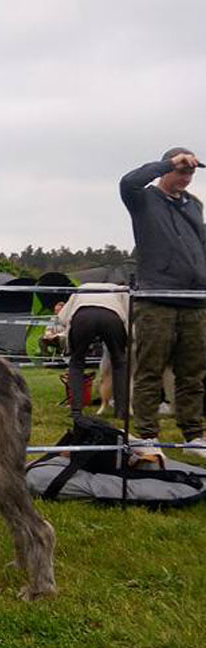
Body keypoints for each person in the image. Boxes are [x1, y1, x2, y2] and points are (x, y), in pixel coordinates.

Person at [120, 147, 206, 458]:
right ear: (166, 168)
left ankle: (194, 435)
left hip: (194, 300)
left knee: (193, 373)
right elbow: (127, 181)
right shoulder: (142, 199)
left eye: (190, 172)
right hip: (157, 299)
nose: (186, 177)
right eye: (181, 170)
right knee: (150, 370)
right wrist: (167, 163)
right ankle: (146, 435)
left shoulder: (194, 205)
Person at [57, 284, 129, 419]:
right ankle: (121, 411)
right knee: (119, 362)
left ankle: (76, 410)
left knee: (76, 362)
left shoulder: (83, 287)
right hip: (111, 316)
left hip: (83, 316)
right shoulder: (119, 289)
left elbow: (62, 317)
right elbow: (128, 315)